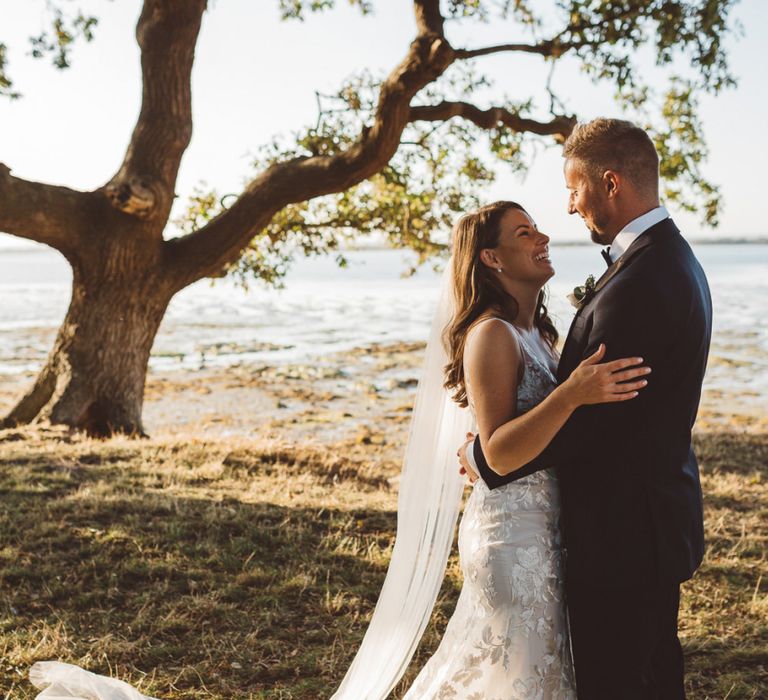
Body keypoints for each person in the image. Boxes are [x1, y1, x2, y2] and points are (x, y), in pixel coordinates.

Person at [461, 118, 712, 699]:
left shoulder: (645, 278)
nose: (569, 209)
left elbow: (596, 420)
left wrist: (487, 456)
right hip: (633, 528)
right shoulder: (662, 260)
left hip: (624, 536)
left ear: (610, 182)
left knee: (623, 682)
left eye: (574, 190)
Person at [398, 200, 650, 699]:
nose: (543, 238)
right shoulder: (491, 334)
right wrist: (572, 393)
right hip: (512, 540)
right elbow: (500, 453)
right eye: (525, 233)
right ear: (491, 258)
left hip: (549, 531)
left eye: (537, 229)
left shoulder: (536, 334)